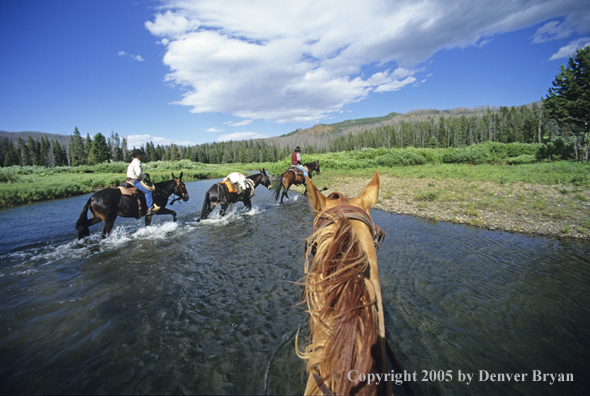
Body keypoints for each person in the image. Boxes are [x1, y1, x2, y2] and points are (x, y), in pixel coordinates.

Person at [126, 149, 159, 215]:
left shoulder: (133, 162)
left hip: (130, 179)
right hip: (135, 180)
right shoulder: (137, 162)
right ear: (138, 155)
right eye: (141, 155)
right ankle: (150, 208)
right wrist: (145, 176)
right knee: (148, 191)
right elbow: (138, 174)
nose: (142, 156)